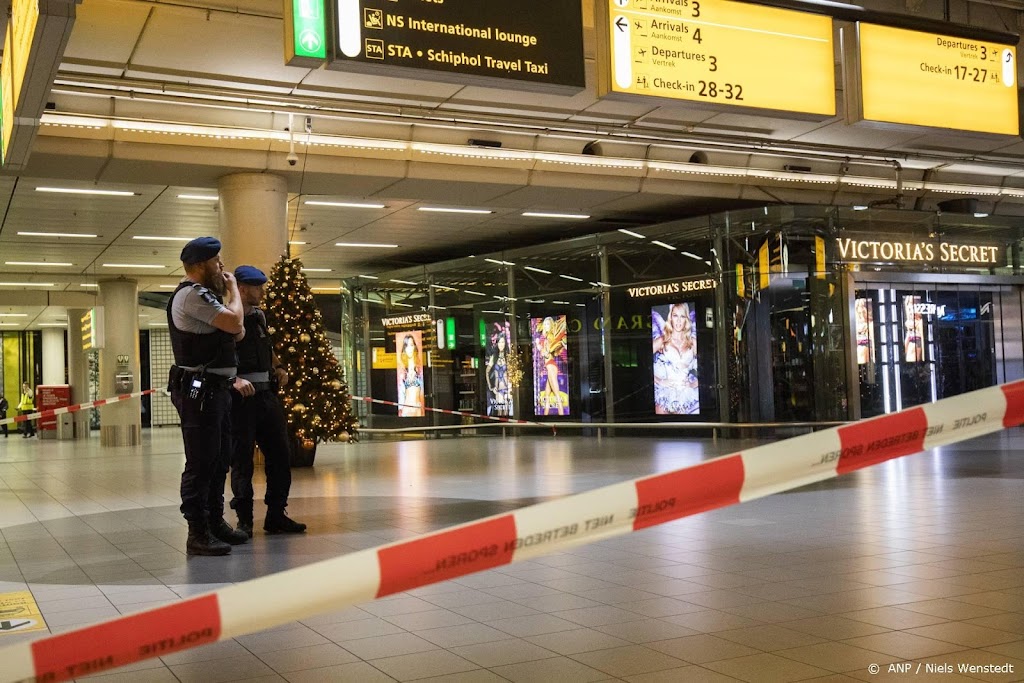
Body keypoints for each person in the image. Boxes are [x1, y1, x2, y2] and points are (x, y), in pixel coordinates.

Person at [167, 236, 249, 556]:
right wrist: (234, 293)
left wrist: (232, 311)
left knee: (218, 459)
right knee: (201, 460)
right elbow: (234, 322)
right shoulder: (192, 296)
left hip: (218, 389)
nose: (222, 266)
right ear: (200, 265)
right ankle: (197, 531)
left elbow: (237, 329)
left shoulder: (208, 295)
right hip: (198, 390)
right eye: (217, 261)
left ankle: (215, 522)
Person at [229, 265, 306, 537]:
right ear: (242, 288)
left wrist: (280, 367)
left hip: (267, 397)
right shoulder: (228, 317)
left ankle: (275, 515)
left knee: (280, 455)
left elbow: (268, 348)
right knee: (242, 460)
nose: (263, 291)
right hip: (241, 401)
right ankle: (244, 520)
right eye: (258, 287)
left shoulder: (260, 316)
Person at [653, 303, 699, 415]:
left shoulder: (693, 342)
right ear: (671, 318)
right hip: (664, 395)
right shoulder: (662, 340)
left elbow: (709, 366)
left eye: (682, 316)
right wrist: (660, 381)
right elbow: (643, 363)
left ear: (686, 319)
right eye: (675, 316)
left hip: (687, 396)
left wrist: (694, 384)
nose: (678, 321)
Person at [535, 317, 566, 415]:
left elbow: (546, 354)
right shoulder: (546, 338)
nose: (546, 326)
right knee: (547, 394)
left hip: (551, 366)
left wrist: (538, 346)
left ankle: (561, 416)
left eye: (548, 324)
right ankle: (545, 414)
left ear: (551, 325)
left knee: (557, 394)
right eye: (545, 324)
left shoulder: (550, 337)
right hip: (549, 366)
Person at [485, 325, 512, 417]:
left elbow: (512, 372)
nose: (501, 344)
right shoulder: (494, 357)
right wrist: (490, 386)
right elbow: (487, 371)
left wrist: (511, 386)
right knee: (500, 413)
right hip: (498, 389)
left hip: (507, 388)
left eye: (503, 342)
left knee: (507, 412)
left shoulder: (508, 357)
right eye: (499, 342)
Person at [397, 334, 423, 417]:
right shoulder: (402, 371)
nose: (409, 348)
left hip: (418, 408)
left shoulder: (419, 369)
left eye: (411, 345)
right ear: (404, 348)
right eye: (407, 346)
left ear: (414, 346)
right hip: (406, 410)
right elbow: (401, 394)